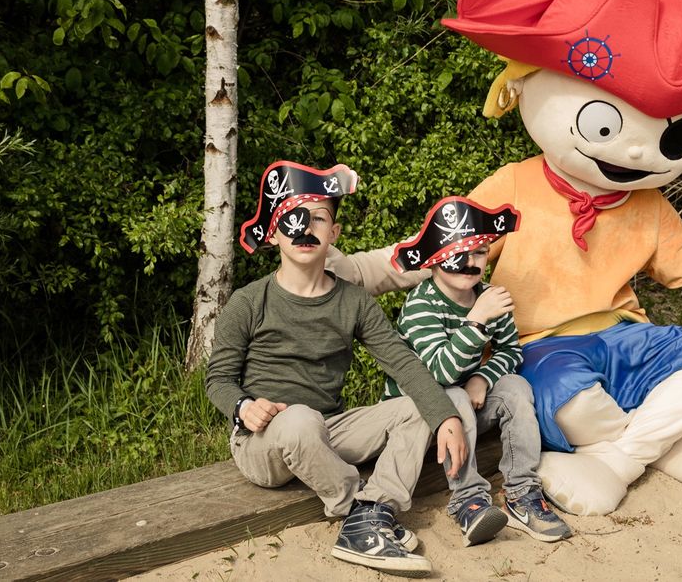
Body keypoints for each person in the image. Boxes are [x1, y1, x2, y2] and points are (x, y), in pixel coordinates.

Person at [207, 161, 468, 577]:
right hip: (263, 440)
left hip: (329, 430)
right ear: (273, 233)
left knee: (423, 407)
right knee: (299, 420)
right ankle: (354, 511)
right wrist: (243, 407)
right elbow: (218, 379)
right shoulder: (249, 301)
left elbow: (402, 361)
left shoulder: (354, 300)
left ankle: (377, 509)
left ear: (334, 233)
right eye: (293, 217)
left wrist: (446, 416)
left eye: (319, 218)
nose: (306, 228)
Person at [385, 197, 573, 546]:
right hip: (421, 415)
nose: (470, 263)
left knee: (515, 386)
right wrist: (477, 319)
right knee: (454, 394)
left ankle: (521, 492)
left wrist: (482, 377)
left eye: (480, 252)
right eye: (459, 253)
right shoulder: (421, 305)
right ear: (436, 257)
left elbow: (510, 350)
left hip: (468, 407)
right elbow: (440, 374)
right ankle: (468, 500)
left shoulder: (488, 296)